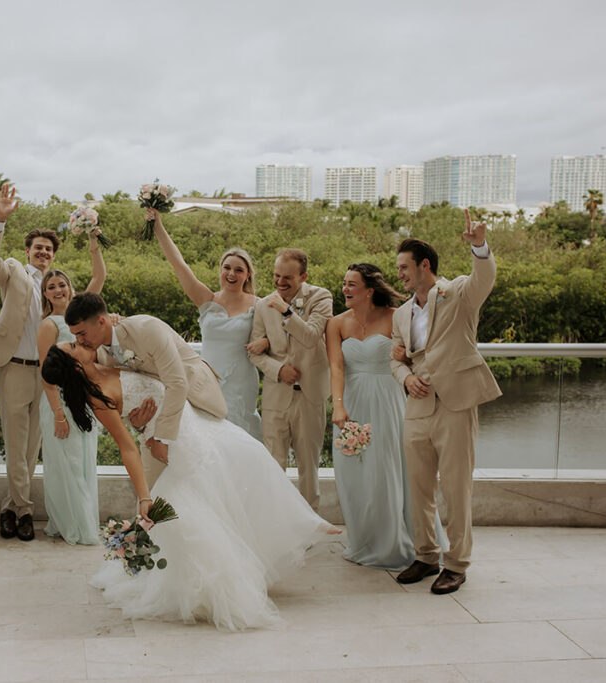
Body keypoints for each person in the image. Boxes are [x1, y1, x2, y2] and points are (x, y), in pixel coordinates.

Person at [41, 341, 337, 631]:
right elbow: (127, 447)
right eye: (73, 346)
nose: (78, 341)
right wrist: (144, 495)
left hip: (194, 421)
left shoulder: (108, 359)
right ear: (76, 364)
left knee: (251, 457)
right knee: (196, 502)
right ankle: (211, 585)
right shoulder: (99, 397)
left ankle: (302, 521)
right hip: (176, 441)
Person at [390, 209, 501, 595]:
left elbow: (484, 279)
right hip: (417, 408)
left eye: (404, 267)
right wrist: (405, 378)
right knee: (418, 488)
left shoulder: (457, 293)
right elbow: (395, 357)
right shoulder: (401, 313)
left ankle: (457, 564)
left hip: (455, 404)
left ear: (424, 265)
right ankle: (426, 556)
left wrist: (480, 248)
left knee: (455, 489)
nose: (400, 273)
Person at [64, 292, 227, 488]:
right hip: (156, 423)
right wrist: (138, 424)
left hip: (195, 399)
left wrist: (161, 438)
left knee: (204, 485)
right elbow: (130, 395)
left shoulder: (146, 329)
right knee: (153, 494)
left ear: (101, 322)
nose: (79, 340)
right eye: (75, 336)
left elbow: (177, 383)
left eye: (81, 333)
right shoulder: (101, 355)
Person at [0, 183, 59, 541]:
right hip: (13, 366)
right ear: (28, 251)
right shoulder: (13, 271)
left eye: (48, 249)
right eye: (38, 248)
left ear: (53, 256)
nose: (43, 252)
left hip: (44, 375)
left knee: (31, 447)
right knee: (15, 443)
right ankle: (25, 512)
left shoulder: (56, 286)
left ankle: (10, 509)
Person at [325, 263, 416, 569]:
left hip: (388, 400)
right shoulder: (336, 323)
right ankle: (363, 539)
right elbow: (336, 367)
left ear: (369, 290)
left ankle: (394, 543)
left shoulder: (396, 316)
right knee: (354, 474)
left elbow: (415, 355)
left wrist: (405, 355)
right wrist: (338, 405)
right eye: (344, 283)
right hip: (352, 402)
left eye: (352, 284)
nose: (345, 289)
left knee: (386, 470)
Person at [145, 207, 262, 439]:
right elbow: (178, 263)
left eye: (239, 270)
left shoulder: (260, 305)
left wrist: (266, 341)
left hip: (242, 381)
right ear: (220, 270)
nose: (231, 273)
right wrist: (158, 225)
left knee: (238, 435)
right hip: (206, 379)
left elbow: (276, 334)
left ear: (248, 275)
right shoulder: (206, 299)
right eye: (227, 268)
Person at [35, 232, 106, 544]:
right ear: (46, 294)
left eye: (61, 284)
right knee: (67, 464)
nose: (58, 289)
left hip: (86, 398)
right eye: (51, 287)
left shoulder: (82, 312)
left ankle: (84, 517)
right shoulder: (48, 325)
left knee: (85, 461)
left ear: (69, 287)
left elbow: (100, 275)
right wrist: (58, 415)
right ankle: (72, 524)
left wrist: (93, 242)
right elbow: (46, 374)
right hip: (59, 403)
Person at [247, 248, 332, 510]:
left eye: (288, 278)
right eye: (276, 275)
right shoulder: (263, 305)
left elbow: (310, 336)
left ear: (303, 276)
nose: (280, 282)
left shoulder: (321, 297)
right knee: (274, 465)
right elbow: (254, 353)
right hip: (276, 396)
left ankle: (311, 525)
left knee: (309, 466)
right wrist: (277, 369)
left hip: (310, 395)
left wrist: (287, 311)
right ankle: (277, 522)